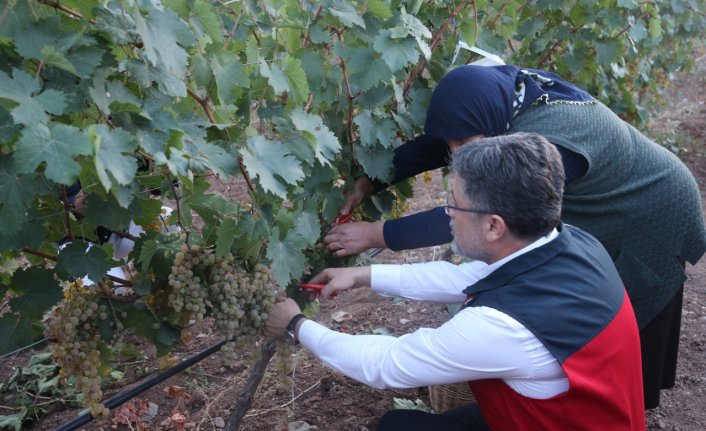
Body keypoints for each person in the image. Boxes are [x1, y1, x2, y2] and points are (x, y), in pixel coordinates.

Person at [324, 64, 706, 409]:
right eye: (452, 145)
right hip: (629, 190)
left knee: (619, 309)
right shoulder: (501, 99)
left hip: (654, 208)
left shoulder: (549, 145)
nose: (454, 154)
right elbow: (453, 131)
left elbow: (469, 217)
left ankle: (618, 403)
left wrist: (378, 233)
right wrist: (368, 182)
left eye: (463, 145)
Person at [267, 133, 646, 431]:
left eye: (455, 204)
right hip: (583, 422)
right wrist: (364, 275)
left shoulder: (504, 328)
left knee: (401, 428)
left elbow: (387, 364)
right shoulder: (571, 243)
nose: (448, 213)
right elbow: (467, 277)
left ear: (494, 225)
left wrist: (297, 326)